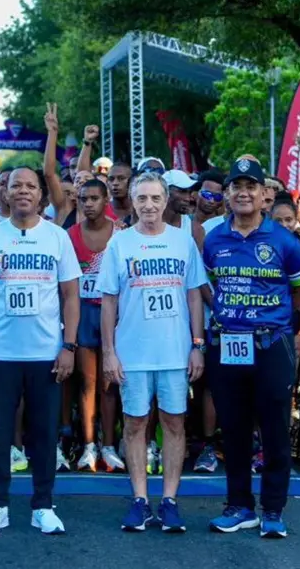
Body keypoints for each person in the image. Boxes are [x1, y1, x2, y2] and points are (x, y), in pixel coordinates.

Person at [201, 157, 300, 538]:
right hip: (227, 345)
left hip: (271, 345)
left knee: (275, 429)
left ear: (265, 195)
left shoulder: (285, 241)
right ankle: (239, 506)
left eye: (251, 186)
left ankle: (274, 510)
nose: (243, 193)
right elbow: (210, 282)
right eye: (236, 186)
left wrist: (271, 316)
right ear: (228, 194)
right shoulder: (214, 238)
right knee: (232, 429)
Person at [0, 166, 81, 536]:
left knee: (44, 432)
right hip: (0, 352)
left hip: (46, 353)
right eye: (16, 185)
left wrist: (68, 346)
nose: (23, 192)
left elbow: (70, 295)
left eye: (30, 186)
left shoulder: (57, 238)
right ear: (4, 192)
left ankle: (43, 505)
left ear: (40, 195)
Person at [100, 172, 206, 532]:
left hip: (175, 352)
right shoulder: (120, 244)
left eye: (155, 198)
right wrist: (109, 352)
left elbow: (194, 295)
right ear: (132, 201)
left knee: (174, 423)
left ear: (166, 201)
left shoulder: (182, 241)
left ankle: (171, 500)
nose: (148, 205)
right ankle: (140, 500)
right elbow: (108, 301)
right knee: (135, 424)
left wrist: (197, 345)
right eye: (141, 198)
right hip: (133, 352)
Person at [67, 179, 124, 473]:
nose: (88, 204)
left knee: (109, 383)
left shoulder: (121, 235)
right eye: (83, 199)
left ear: (106, 201)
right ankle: (89, 445)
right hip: (84, 316)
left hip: (114, 318)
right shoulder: (70, 235)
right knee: (88, 382)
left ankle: (110, 446)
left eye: (94, 198)